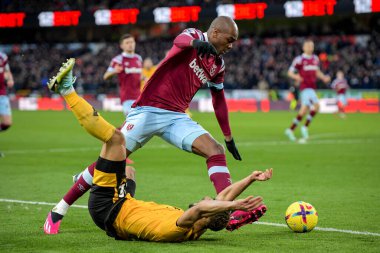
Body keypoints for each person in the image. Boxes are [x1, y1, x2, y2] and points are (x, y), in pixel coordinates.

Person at [44, 16, 256, 234]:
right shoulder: (194, 35)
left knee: (216, 150)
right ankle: (59, 209)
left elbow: (218, 100)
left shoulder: (218, 64)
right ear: (215, 34)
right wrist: (196, 44)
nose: (231, 46)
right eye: (229, 40)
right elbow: (180, 41)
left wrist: (228, 137)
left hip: (176, 117)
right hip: (148, 110)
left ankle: (229, 211)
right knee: (111, 158)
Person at [285, 40, 330, 142]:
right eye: (308, 46)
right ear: (304, 47)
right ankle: (303, 128)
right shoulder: (299, 59)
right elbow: (290, 72)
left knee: (305, 110)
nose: (310, 48)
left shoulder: (315, 59)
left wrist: (323, 77)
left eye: (312, 46)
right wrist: (297, 77)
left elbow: (317, 71)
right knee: (316, 106)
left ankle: (291, 129)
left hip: (312, 87)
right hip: (305, 88)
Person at [103, 33, 142, 117]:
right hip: (127, 98)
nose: (130, 44)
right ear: (122, 46)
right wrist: (114, 71)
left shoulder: (138, 58)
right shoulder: (118, 60)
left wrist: (144, 78)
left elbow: (138, 76)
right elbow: (105, 76)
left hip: (139, 97)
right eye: (127, 43)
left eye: (132, 42)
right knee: (132, 122)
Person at [0, 51, 14, 157]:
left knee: (7, 123)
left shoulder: (3, 56)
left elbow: (7, 71)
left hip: (2, 93)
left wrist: (10, 79)